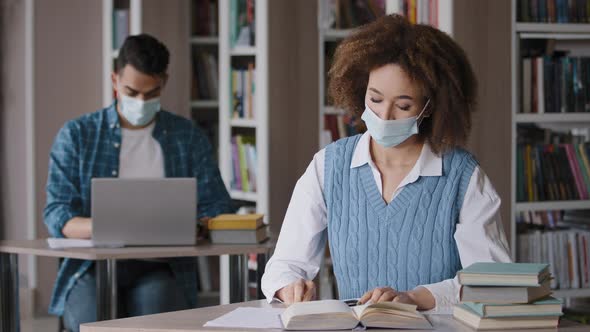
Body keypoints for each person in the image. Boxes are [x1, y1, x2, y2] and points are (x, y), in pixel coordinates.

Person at [261, 14, 511, 311]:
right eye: (375, 99)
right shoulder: (328, 166)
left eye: (404, 105)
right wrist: (288, 286)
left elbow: (494, 280)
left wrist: (416, 298)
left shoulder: (462, 176)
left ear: (431, 106)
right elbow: (286, 263)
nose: (385, 115)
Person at [43, 34, 232, 331]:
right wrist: (108, 225)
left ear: (164, 83)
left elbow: (218, 205)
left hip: (159, 266)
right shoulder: (77, 134)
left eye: (152, 93)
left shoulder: (187, 136)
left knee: (159, 319)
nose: (141, 101)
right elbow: (57, 213)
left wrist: (193, 226)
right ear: (115, 80)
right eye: (132, 91)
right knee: (89, 320)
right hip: (90, 267)